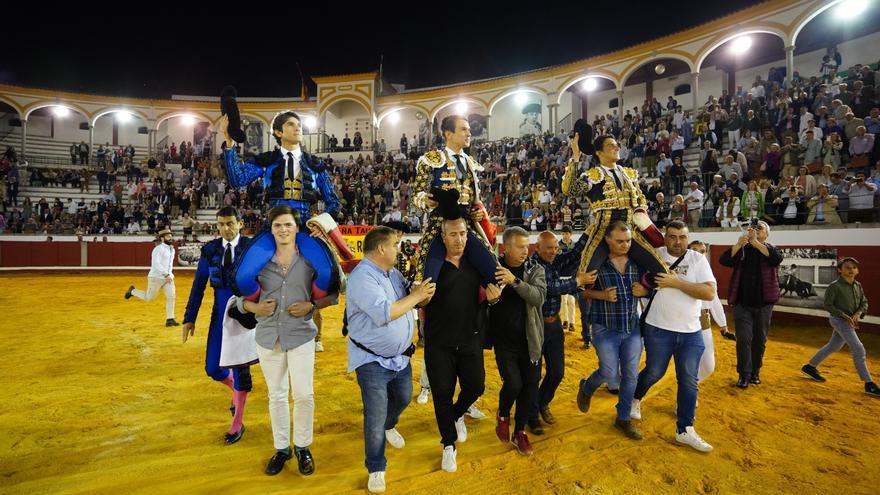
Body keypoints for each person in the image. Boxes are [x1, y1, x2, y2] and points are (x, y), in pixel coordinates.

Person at [232, 205, 339, 477]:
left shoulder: (309, 261)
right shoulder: (259, 262)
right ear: (271, 230)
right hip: (267, 336)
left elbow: (334, 295)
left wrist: (311, 307)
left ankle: (302, 446)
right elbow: (237, 301)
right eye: (278, 225)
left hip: (301, 335)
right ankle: (282, 448)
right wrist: (254, 308)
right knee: (276, 395)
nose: (283, 229)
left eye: (288, 224)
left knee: (304, 394)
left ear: (296, 228)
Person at [219, 110, 350, 302]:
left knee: (329, 274)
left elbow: (333, 201)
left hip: (305, 226)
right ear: (278, 132)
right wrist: (229, 143)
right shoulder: (267, 160)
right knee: (241, 277)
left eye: (299, 125)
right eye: (291, 124)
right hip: (273, 225)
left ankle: (308, 304)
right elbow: (237, 180)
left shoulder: (315, 164)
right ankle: (268, 304)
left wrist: (322, 225)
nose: (298, 127)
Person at [346, 226, 436, 493]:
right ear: (382, 249)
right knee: (374, 415)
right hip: (371, 360)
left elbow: (409, 297)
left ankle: (389, 425)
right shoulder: (362, 277)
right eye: (395, 245)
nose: (398, 250)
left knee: (404, 397)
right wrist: (417, 296)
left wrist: (419, 290)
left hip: (400, 357)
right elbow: (386, 312)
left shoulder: (391, 273)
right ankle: (376, 467)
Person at [631, 220, 717, 452]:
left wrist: (676, 282)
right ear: (664, 237)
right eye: (672, 236)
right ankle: (635, 399)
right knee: (654, 371)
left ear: (688, 238)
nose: (677, 242)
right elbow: (642, 281)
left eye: (682, 237)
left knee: (689, 379)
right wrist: (645, 288)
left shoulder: (697, 260)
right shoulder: (654, 255)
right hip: (658, 327)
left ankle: (685, 430)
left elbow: (709, 292)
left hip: (691, 331)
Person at [181, 207, 253, 445]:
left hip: (244, 316)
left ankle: (237, 422)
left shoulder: (251, 249)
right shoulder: (210, 250)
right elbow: (198, 285)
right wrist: (189, 318)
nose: (226, 228)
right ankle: (236, 392)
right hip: (219, 315)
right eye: (221, 224)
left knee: (242, 370)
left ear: (239, 223)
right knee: (213, 368)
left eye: (230, 223)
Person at [422, 216, 487, 473]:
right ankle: (448, 444)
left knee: (476, 386)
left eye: (462, 233)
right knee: (442, 395)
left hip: (470, 338)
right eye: (453, 234)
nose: (458, 239)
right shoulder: (432, 267)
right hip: (438, 343)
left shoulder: (475, 264)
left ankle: (458, 414)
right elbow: (419, 299)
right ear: (443, 237)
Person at [561, 127, 667, 283]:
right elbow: (570, 189)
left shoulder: (630, 174)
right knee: (586, 278)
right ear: (599, 152)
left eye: (617, 145)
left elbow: (641, 199)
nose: (617, 147)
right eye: (611, 145)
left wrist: (641, 213)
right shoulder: (593, 175)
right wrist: (576, 157)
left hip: (630, 231)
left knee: (662, 271)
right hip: (603, 232)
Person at [576, 222, 649, 440]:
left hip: (632, 327)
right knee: (608, 373)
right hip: (604, 327)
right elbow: (583, 294)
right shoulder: (596, 264)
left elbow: (650, 286)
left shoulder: (637, 263)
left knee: (630, 375)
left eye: (627, 241)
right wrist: (601, 295)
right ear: (607, 240)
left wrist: (644, 290)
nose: (625, 245)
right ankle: (587, 387)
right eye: (619, 241)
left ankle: (623, 418)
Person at [411, 115, 497, 286]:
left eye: (469, 130)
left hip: (466, 224)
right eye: (463, 129)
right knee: (425, 280)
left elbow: (475, 200)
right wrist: (425, 201)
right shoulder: (432, 159)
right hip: (438, 223)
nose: (469, 134)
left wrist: (477, 211)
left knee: (495, 272)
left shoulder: (471, 163)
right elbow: (417, 194)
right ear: (448, 134)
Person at [487, 226, 546, 455]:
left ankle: (520, 432)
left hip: (531, 340)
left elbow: (538, 297)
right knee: (513, 384)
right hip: (504, 341)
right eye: (520, 247)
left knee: (529, 390)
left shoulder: (535, 268)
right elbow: (484, 302)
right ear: (506, 247)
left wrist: (514, 281)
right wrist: (491, 302)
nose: (526, 251)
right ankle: (503, 414)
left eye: (527, 246)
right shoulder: (492, 269)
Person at [528, 231, 595, 434]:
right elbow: (549, 288)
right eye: (548, 248)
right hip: (535, 327)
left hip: (554, 325)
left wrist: (587, 233)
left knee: (557, 372)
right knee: (533, 375)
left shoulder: (553, 261)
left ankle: (541, 403)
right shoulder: (533, 265)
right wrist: (577, 281)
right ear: (537, 248)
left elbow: (573, 255)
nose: (553, 251)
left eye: (555, 247)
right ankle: (531, 415)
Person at [801, 257, 880, 397]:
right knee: (858, 348)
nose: (851, 270)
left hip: (849, 321)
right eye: (847, 267)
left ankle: (809, 367)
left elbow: (864, 302)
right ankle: (869, 384)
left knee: (834, 346)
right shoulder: (834, 286)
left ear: (857, 270)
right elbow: (828, 305)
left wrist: (859, 313)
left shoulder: (858, 285)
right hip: (839, 320)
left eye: (854, 267)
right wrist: (844, 315)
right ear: (839, 270)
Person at [719, 220, 783, 389]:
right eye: (753, 228)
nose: (755, 230)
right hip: (742, 302)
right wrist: (739, 243)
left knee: (760, 339)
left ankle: (755, 371)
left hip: (764, 304)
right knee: (744, 339)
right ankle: (744, 374)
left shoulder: (770, 248)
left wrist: (754, 242)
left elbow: (776, 259)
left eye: (760, 228)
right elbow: (724, 260)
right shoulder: (742, 249)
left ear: (767, 234)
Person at [688, 241, 735, 387]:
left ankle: (690, 387)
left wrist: (723, 326)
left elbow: (714, 302)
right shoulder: (679, 272)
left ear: (706, 254)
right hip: (683, 322)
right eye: (694, 250)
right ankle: (688, 394)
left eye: (702, 251)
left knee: (708, 366)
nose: (698, 253)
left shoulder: (707, 274)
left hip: (703, 321)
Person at [125, 228, 179, 326]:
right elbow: (156, 264)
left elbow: (169, 265)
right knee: (149, 298)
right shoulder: (158, 249)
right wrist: (166, 274)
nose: (170, 238)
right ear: (162, 239)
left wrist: (169, 275)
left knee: (171, 297)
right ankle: (132, 291)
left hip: (168, 278)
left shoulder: (172, 249)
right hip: (156, 278)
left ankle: (170, 319)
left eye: (171, 236)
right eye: (168, 236)